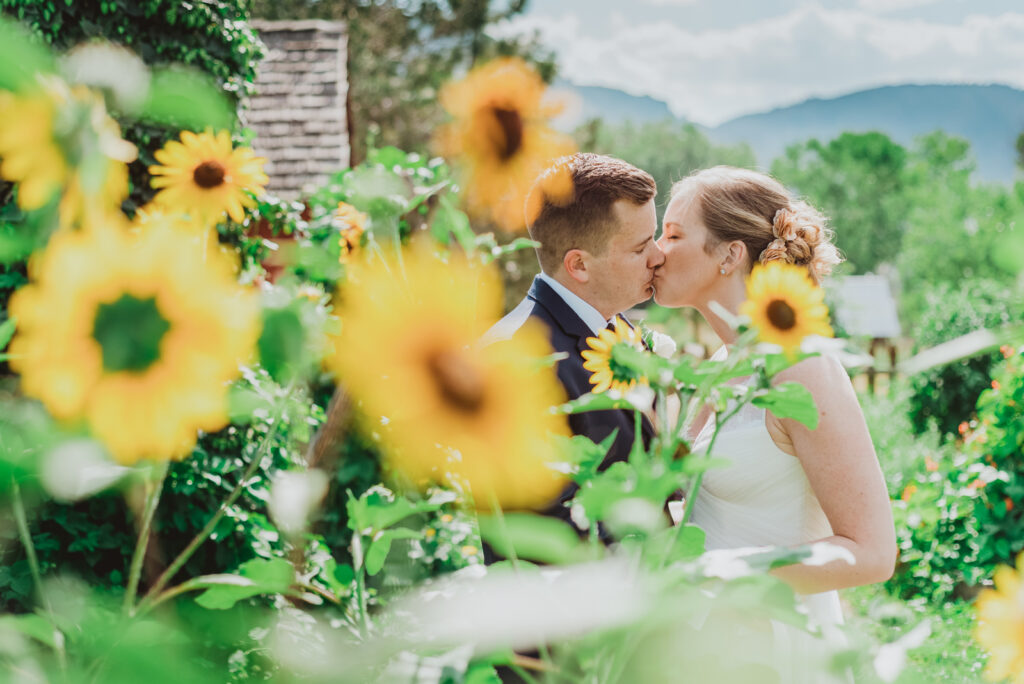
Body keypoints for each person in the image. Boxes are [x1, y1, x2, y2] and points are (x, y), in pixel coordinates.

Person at [653, 166, 896, 681]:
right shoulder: (720, 364)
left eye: (672, 235)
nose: (655, 251)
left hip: (780, 647)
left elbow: (873, 553)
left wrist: (726, 577)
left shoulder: (802, 366)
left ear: (729, 255)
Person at [485, 152, 665, 529]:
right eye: (640, 248)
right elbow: (538, 525)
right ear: (579, 265)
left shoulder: (620, 331)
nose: (658, 256)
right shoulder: (513, 356)